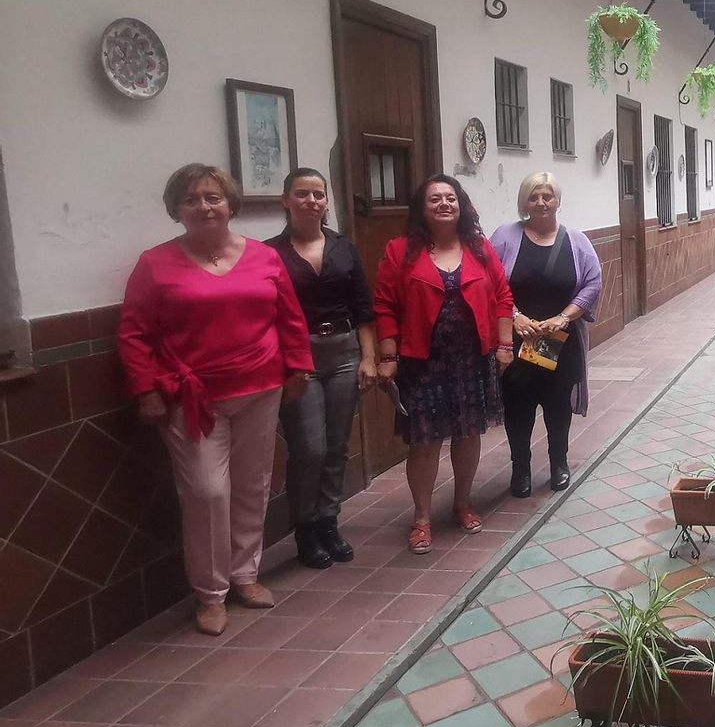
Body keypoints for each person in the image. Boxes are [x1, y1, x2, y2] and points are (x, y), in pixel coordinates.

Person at [118, 164, 312, 635]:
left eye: (213, 198)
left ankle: (245, 574)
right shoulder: (155, 263)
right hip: (192, 398)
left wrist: (298, 368)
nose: (204, 207)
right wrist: (145, 389)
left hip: (260, 389)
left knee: (252, 485)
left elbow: (289, 318)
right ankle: (210, 593)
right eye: (191, 199)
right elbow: (134, 333)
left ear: (230, 204)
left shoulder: (264, 257)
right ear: (176, 208)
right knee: (206, 492)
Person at [373, 175, 514, 555]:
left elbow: (503, 296)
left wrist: (504, 345)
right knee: (425, 441)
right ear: (422, 208)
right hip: (422, 363)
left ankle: (462, 503)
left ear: (461, 205)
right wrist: (388, 355)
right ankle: (421, 517)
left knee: (468, 434)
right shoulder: (399, 251)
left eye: (450, 198)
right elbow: (384, 305)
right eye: (434, 199)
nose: (443, 204)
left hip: (472, 359)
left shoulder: (480, 248)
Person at [265, 168, 378, 569]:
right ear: (285, 200)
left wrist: (369, 357)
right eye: (302, 194)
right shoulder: (269, 254)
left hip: (345, 351)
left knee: (337, 445)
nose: (311, 201)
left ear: (326, 201)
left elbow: (363, 308)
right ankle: (305, 528)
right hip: (299, 358)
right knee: (308, 449)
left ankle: (329, 521)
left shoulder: (343, 247)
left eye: (318, 194)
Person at [490, 172, 603, 496]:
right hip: (516, 340)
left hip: (560, 341)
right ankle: (520, 469)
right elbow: (490, 282)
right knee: (518, 407)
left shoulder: (576, 241)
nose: (540, 203)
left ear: (557, 201)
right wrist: (515, 317)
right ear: (524, 202)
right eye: (533, 196)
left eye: (547, 196)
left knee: (558, 405)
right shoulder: (505, 237)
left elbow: (593, 281)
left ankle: (559, 463)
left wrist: (563, 317)